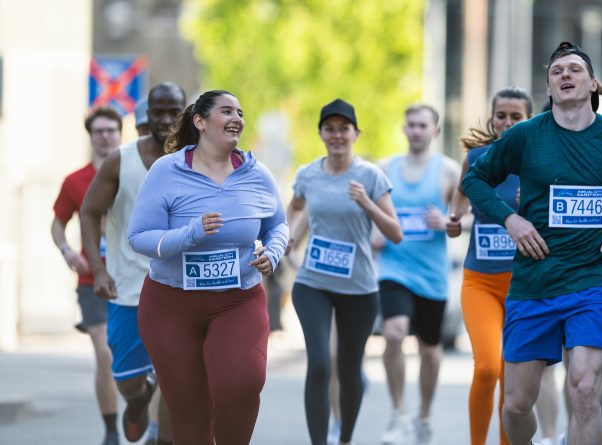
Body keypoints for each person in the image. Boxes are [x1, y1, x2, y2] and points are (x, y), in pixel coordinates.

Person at [461, 42, 602, 445]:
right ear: (548, 88)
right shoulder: (525, 136)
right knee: (516, 405)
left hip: (591, 280)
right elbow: (474, 179)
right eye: (557, 70)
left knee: (584, 389)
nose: (565, 75)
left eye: (575, 69)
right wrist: (510, 219)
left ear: (592, 83)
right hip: (533, 283)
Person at [128, 89, 288, 445]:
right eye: (226, 111)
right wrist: (190, 234)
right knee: (189, 408)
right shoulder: (166, 171)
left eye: (240, 112)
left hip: (238, 300)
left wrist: (273, 253)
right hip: (171, 304)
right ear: (199, 122)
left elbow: (278, 224)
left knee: (242, 385)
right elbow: (138, 237)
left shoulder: (256, 172)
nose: (237, 118)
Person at [447, 87, 560, 445]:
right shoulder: (477, 157)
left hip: (525, 285)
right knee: (487, 367)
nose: (508, 123)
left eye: (516, 117)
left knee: (514, 377)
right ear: (492, 119)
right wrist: (455, 218)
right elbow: (462, 196)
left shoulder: (542, 163)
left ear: (530, 120)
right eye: (502, 116)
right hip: (479, 281)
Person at [287, 98, 402, 445]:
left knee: (349, 371)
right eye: (330, 129)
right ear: (321, 133)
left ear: (356, 133)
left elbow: (396, 232)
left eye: (343, 129)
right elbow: (292, 211)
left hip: (359, 288)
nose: (337, 135)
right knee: (321, 364)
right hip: (313, 283)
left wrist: (367, 203)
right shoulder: (307, 174)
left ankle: (345, 438)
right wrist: (287, 242)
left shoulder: (370, 176)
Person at [81, 83, 186, 445]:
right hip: (128, 289)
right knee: (127, 380)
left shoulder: (199, 160)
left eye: (175, 111)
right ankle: (140, 400)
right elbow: (90, 212)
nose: (168, 120)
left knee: (177, 385)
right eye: (159, 112)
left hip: (180, 291)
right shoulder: (120, 161)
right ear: (146, 116)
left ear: (188, 114)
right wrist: (98, 269)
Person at [374, 104, 460, 445]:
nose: (416, 130)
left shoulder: (449, 171)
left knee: (430, 350)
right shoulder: (384, 169)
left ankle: (424, 414)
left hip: (432, 275)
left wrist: (449, 222)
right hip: (393, 268)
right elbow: (366, 210)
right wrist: (373, 231)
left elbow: (466, 218)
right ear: (404, 128)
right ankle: (398, 412)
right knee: (393, 334)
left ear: (435, 131)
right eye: (411, 124)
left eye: (423, 125)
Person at [51, 106, 121, 445]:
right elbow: (58, 222)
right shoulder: (75, 181)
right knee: (104, 352)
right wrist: (66, 251)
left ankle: (143, 408)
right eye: (99, 131)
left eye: (111, 130)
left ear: (120, 134)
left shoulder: (136, 173)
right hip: (92, 279)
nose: (105, 136)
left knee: (136, 354)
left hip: (131, 278)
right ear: (91, 137)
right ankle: (111, 430)